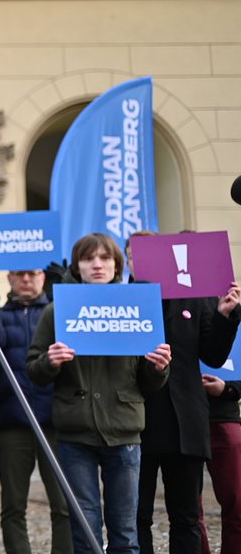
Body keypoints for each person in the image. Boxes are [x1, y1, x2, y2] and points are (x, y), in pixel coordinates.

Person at [26, 232, 172, 554]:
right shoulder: (56, 311)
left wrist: (158, 367)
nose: (97, 265)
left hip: (124, 431)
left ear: (117, 265)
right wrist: (50, 361)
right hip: (74, 434)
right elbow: (34, 371)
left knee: (125, 533)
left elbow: (149, 382)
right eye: (88, 258)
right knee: (85, 531)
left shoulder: (137, 306)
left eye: (105, 258)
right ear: (76, 266)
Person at [126, 231, 240, 554]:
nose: (140, 262)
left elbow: (213, 355)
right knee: (137, 517)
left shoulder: (194, 297)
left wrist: (225, 315)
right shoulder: (124, 298)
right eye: (133, 256)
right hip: (138, 420)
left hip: (184, 423)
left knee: (186, 517)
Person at [0, 266, 72, 554]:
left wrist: (62, 290)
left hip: (54, 421)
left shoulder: (56, 312)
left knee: (64, 504)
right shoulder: (0, 314)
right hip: (13, 420)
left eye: (33, 273)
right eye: (20, 274)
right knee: (13, 505)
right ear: (9, 278)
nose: (27, 279)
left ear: (43, 277)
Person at [199, 376, 241, 554]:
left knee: (237, 505)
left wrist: (228, 389)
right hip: (181, 419)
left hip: (224, 418)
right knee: (187, 511)